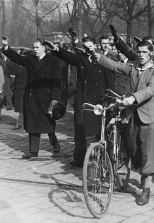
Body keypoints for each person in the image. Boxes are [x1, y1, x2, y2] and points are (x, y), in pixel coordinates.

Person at [90, 40, 154, 206]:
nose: (141, 55)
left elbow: (151, 89)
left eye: (145, 52)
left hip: (150, 118)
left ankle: (146, 189)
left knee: (148, 154)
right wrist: (98, 56)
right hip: (132, 116)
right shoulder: (132, 67)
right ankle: (126, 177)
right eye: (139, 52)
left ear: (151, 54)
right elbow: (115, 65)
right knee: (133, 149)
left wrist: (132, 98)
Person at [47, 37, 115, 168]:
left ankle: (105, 158)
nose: (88, 50)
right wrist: (57, 49)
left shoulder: (103, 60)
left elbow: (110, 81)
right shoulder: (80, 58)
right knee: (79, 128)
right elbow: (69, 57)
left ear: (95, 45)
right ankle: (79, 157)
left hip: (99, 100)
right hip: (82, 99)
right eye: (86, 47)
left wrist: (109, 99)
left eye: (90, 47)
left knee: (100, 130)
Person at [2, 37, 61, 158]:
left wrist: (54, 99)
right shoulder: (30, 59)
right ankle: (33, 151)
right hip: (32, 97)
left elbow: (57, 81)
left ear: (44, 48)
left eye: (37, 47)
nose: (34, 50)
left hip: (46, 97)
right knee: (33, 124)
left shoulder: (53, 61)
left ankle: (54, 143)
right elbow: (17, 58)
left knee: (48, 124)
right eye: (33, 47)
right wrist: (6, 47)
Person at [10, 49, 28, 130]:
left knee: (22, 107)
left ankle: (20, 123)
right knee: (22, 107)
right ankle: (22, 123)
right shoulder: (19, 64)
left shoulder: (26, 64)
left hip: (24, 89)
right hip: (20, 89)